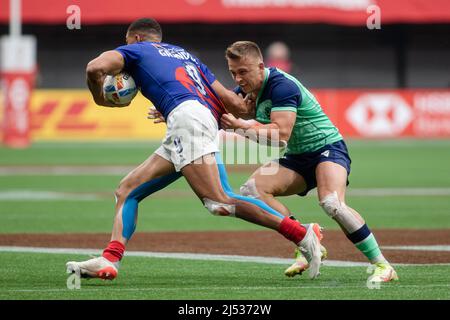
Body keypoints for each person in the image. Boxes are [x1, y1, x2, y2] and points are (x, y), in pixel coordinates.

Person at [66, 19, 325, 281]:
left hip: (187, 120)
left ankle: (302, 234)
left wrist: (102, 99)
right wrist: (176, 106)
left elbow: (94, 67)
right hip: (193, 118)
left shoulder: (136, 50)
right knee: (127, 190)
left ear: (135, 39)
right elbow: (234, 102)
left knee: (219, 201)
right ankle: (109, 259)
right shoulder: (186, 55)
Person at [220, 41, 398, 283]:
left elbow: (280, 136)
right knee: (252, 190)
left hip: (327, 148)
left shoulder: (281, 86)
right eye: (233, 72)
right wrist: (171, 111)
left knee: (332, 202)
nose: (238, 79)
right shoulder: (248, 91)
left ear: (260, 66)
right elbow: (219, 108)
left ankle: (383, 265)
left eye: (243, 72)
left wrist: (242, 128)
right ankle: (305, 237)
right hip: (298, 157)